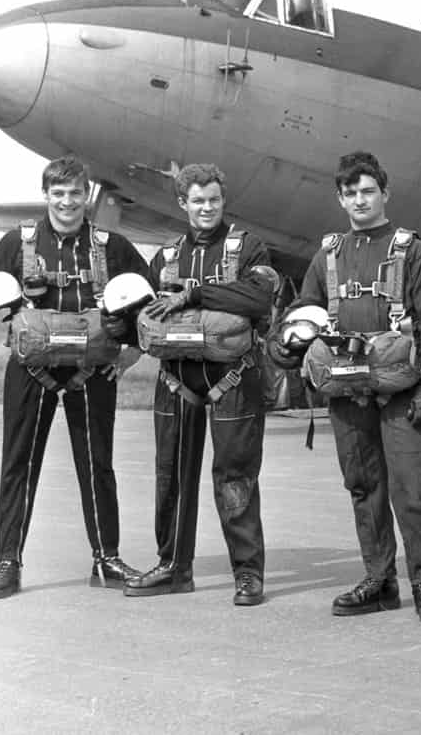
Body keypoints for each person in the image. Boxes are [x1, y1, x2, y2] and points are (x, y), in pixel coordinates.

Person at [272, 151, 421, 623]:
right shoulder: (328, 255)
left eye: (368, 191)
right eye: (350, 193)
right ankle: (379, 580)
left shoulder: (412, 251)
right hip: (347, 391)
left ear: (385, 193)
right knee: (363, 485)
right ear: (340, 198)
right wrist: (286, 344)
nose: (360, 200)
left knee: (413, 489)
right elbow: (305, 310)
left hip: (400, 391)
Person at [0, 156, 148, 598]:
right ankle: (8, 562)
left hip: (92, 370)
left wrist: (132, 353)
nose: (67, 202)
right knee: (18, 464)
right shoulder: (18, 241)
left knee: (97, 463)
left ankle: (106, 557)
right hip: (32, 370)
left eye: (75, 193)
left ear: (87, 196)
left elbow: (149, 298)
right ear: (45, 194)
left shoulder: (111, 246)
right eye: (58, 193)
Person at [123, 163, 273, 607]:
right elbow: (142, 310)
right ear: (182, 203)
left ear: (223, 201)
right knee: (170, 475)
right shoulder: (167, 257)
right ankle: (173, 567)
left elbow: (258, 297)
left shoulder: (248, 247)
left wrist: (193, 295)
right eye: (198, 201)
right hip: (176, 379)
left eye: (214, 200)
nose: (207, 208)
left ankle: (248, 573)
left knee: (235, 476)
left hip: (234, 378)